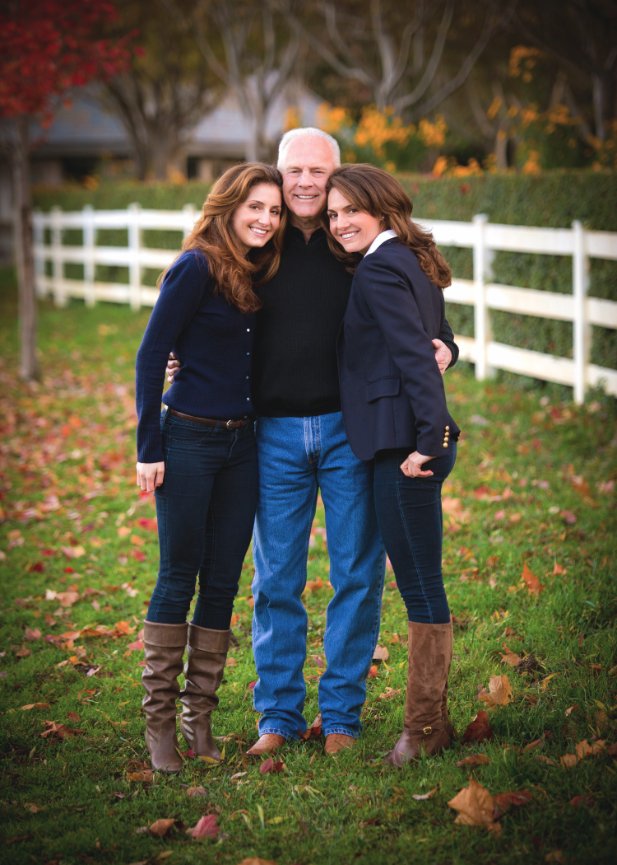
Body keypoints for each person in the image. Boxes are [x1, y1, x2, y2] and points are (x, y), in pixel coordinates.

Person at [168, 128, 458, 758]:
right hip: (269, 431)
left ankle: (342, 718)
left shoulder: (354, 241)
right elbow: (202, 310)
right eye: (293, 170)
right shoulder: (257, 245)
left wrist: (449, 346)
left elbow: (424, 310)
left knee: (356, 573)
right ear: (277, 171)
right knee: (277, 578)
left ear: (338, 176)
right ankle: (278, 714)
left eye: (317, 173)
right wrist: (179, 361)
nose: (303, 183)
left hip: (351, 430)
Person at [135, 162, 285, 772]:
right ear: (227, 205)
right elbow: (150, 355)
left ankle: (201, 721)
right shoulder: (195, 266)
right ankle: (161, 725)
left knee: (223, 579)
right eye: (256, 207)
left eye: (274, 211)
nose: (266, 219)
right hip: (189, 440)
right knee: (179, 574)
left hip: (243, 444)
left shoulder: (260, 270)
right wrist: (149, 447)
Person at [326, 163, 460, 765]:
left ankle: (423, 730)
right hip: (406, 440)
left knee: (420, 585)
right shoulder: (408, 257)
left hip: (403, 447)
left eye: (350, 209)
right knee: (422, 580)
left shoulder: (381, 267)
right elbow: (433, 341)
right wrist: (449, 350)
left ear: (379, 207)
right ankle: (436, 724)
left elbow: (413, 356)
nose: (339, 222)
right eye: (332, 215)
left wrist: (428, 441)